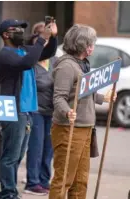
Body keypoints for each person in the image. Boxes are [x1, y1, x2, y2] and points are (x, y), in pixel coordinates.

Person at [49, 24, 116, 199]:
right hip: (68, 129)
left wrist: (103, 98)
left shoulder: (82, 64)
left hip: (85, 128)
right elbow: (59, 97)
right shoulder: (66, 66)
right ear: (81, 45)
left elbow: (84, 92)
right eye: (90, 43)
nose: (93, 47)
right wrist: (67, 112)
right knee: (64, 180)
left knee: (80, 181)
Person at [0, 19, 58, 199]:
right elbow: (26, 63)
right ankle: (7, 193)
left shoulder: (22, 50)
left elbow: (48, 52)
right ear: (6, 35)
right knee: (10, 156)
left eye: (23, 28)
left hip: (27, 111)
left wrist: (52, 37)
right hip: (14, 111)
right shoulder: (6, 54)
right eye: (16, 29)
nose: (20, 32)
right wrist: (41, 38)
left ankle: (11, 191)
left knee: (17, 155)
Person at [24, 22, 57, 196]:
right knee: (36, 148)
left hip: (51, 112)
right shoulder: (31, 62)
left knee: (48, 149)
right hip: (35, 111)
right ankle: (32, 182)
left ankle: (44, 180)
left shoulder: (54, 61)